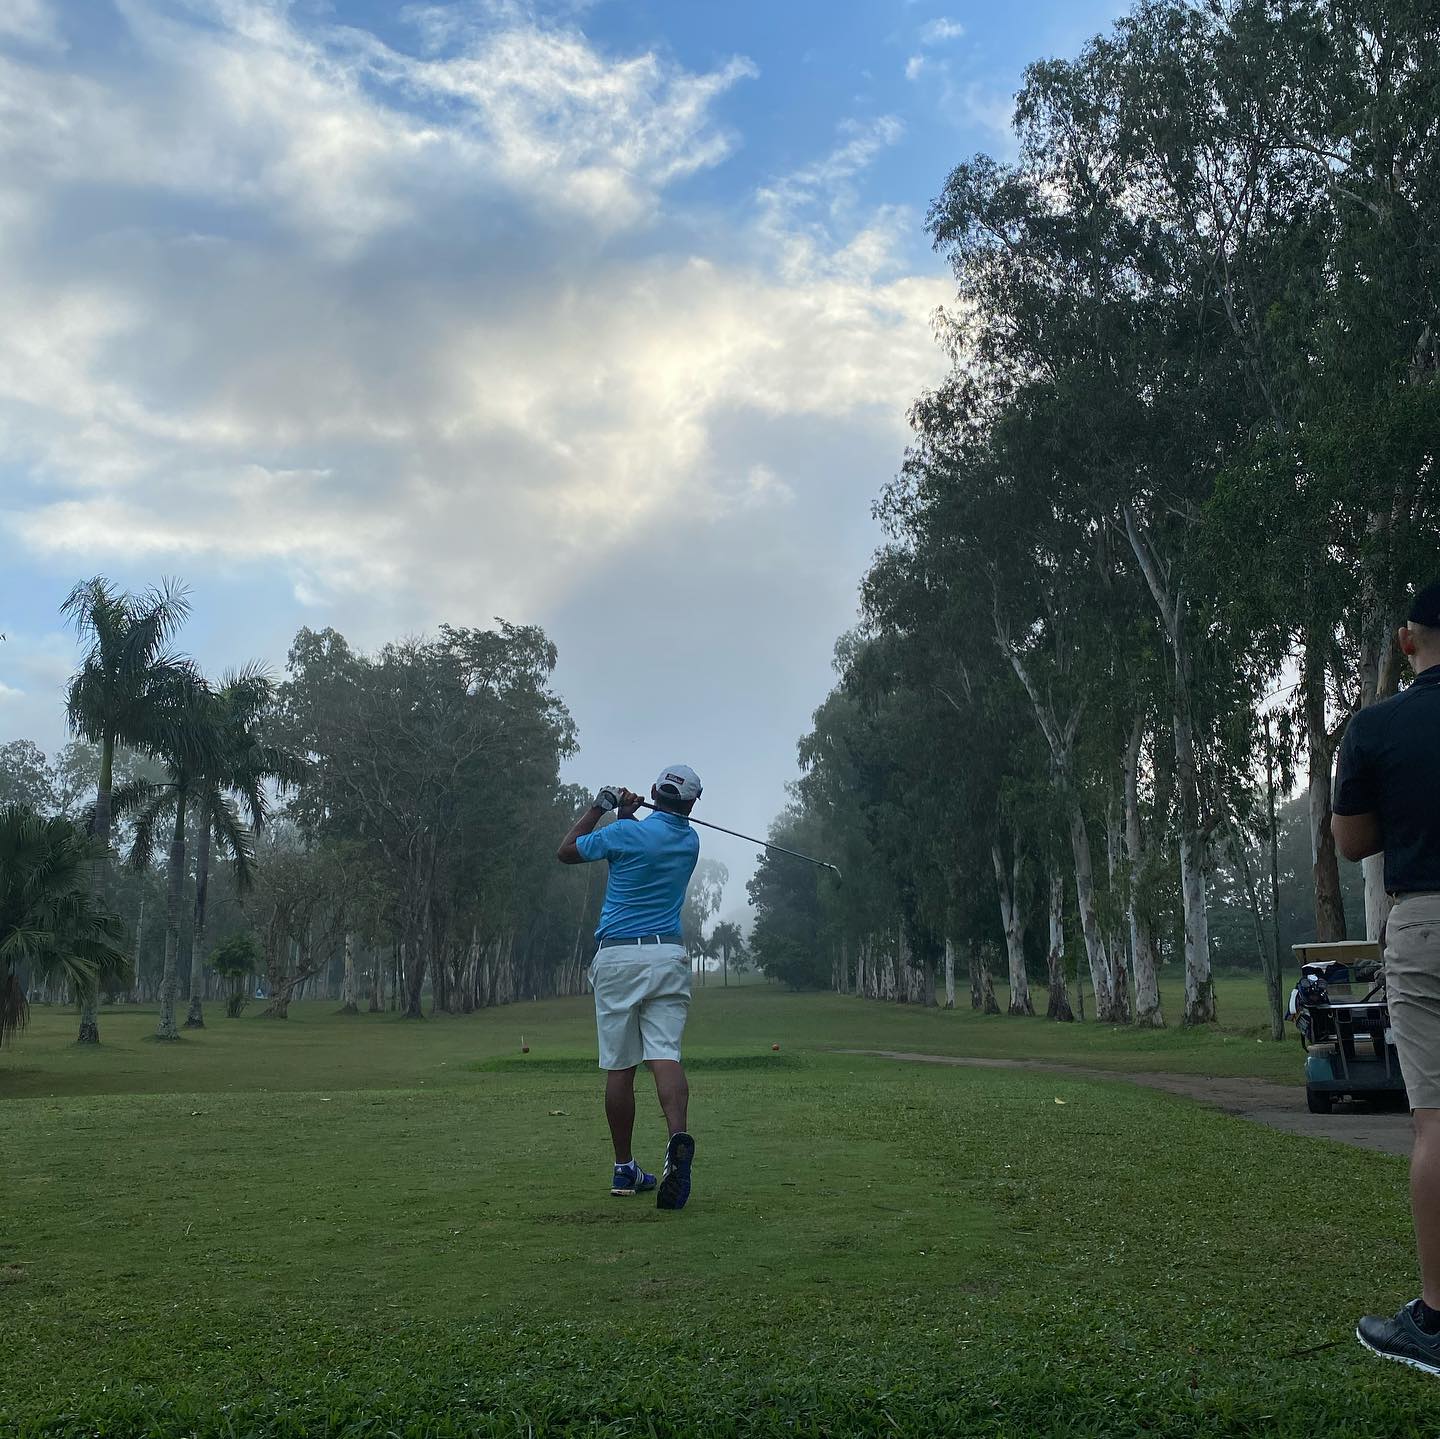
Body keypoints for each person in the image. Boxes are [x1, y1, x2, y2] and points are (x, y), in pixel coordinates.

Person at [1333, 579, 1440, 1373]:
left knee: (1436, 1124)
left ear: (1408, 640)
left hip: (1426, 921)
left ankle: (1434, 1321)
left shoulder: (1376, 727)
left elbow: (1350, 841)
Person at [557, 764, 703, 1210]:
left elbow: (566, 851)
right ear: (693, 803)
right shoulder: (689, 841)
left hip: (619, 957)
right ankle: (677, 1139)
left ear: (656, 793)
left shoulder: (626, 835)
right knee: (665, 1056)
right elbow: (644, 841)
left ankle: (624, 1166)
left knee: (620, 1066)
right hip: (666, 957)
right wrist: (627, 814)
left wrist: (603, 805)